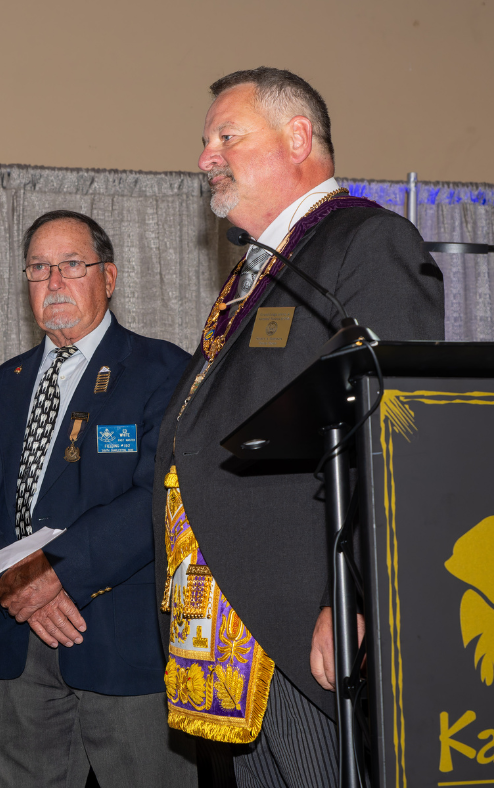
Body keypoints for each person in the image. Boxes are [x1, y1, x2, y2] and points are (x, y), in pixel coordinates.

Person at [152, 67, 444, 786]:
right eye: (205, 141)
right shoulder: (261, 267)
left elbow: (395, 436)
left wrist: (351, 597)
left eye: (227, 136)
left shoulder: (365, 242)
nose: (205, 157)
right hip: (234, 625)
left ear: (298, 138)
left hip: (300, 619)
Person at [0, 210, 197, 788]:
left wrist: (52, 574)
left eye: (71, 265)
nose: (53, 280)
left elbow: (159, 500)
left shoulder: (162, 370)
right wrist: (15, 583)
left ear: (108, 277)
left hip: (121, 645)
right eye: (39, 268)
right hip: (13, 645)